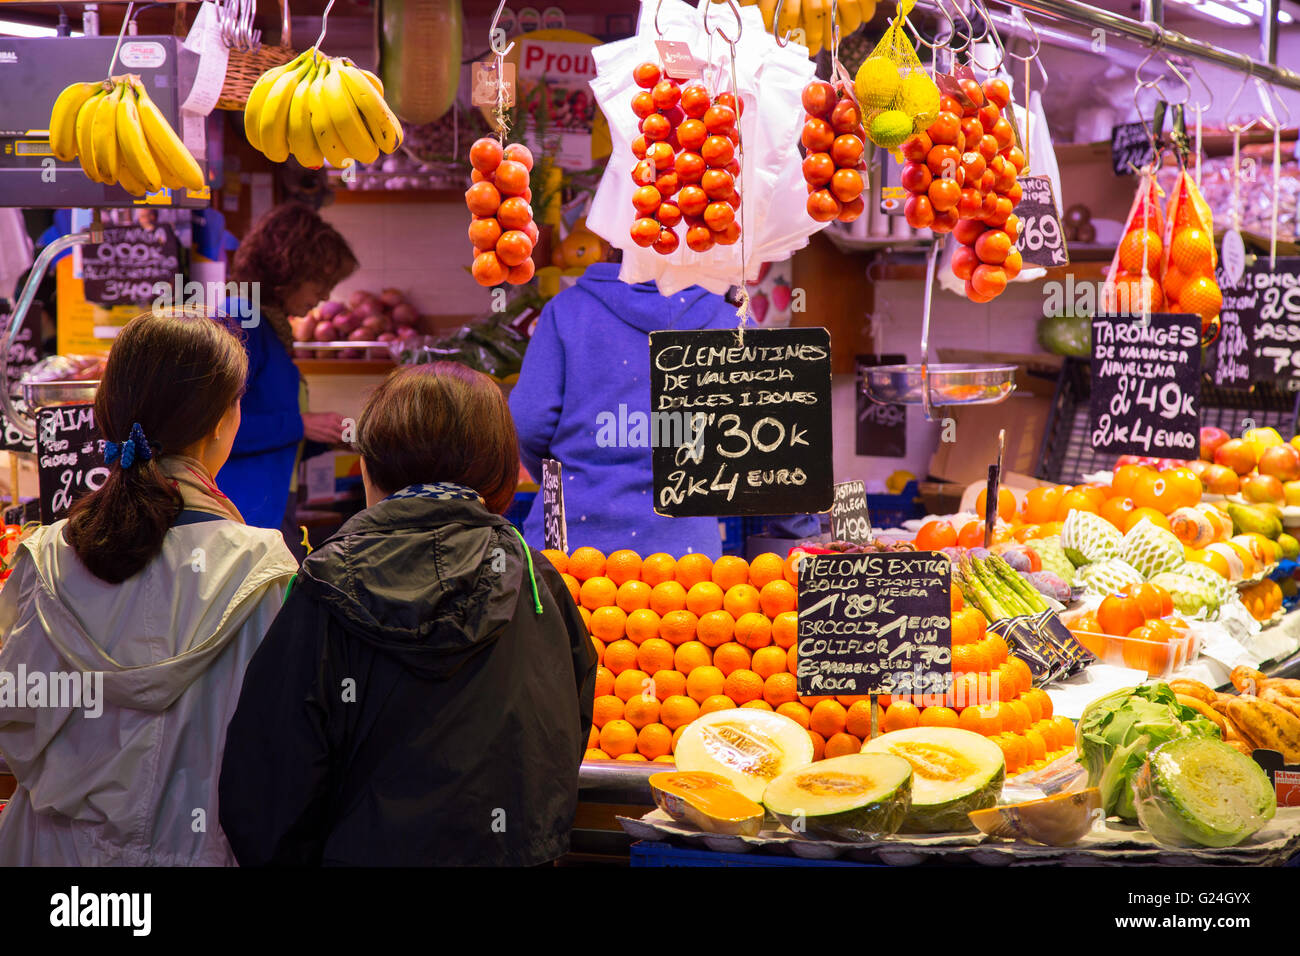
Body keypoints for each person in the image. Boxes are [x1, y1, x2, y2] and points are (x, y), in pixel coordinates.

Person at [219, 362, 596, 866]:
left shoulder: (321, 585)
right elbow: (561, 740)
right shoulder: (533, 577)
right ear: (501, 470)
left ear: (372, 469)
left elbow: (267, 791)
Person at [0, 307, 297, 865]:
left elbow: (13, 718)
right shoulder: (264, 570)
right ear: (219, 422)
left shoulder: (46, 555)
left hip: (55, 860)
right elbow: (280, 749)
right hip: (196, 852)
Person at [509, 262, 741, 558]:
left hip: (570, 545)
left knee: (560, 604)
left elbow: (529, 420)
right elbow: (758, 440)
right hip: (686, 553)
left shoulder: (566, 310)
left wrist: (559, 479)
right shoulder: (730, 320)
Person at [223, 203, 355, 548]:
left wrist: (318, 437)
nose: (325, 296)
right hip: (242, 517)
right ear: (287, 271)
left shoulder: (269, 328)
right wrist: (301, 425)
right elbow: (212, 427)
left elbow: (268, 428)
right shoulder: (241, 320)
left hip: (267, 510)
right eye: (320, 282)